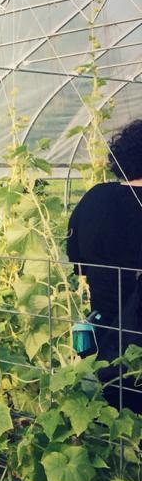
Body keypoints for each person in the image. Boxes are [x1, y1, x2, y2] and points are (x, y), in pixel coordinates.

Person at [67, 118, 142, 414]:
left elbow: (78, 263)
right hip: (137, 345)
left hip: (101, 338)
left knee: (114, 421)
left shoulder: (94, 200)